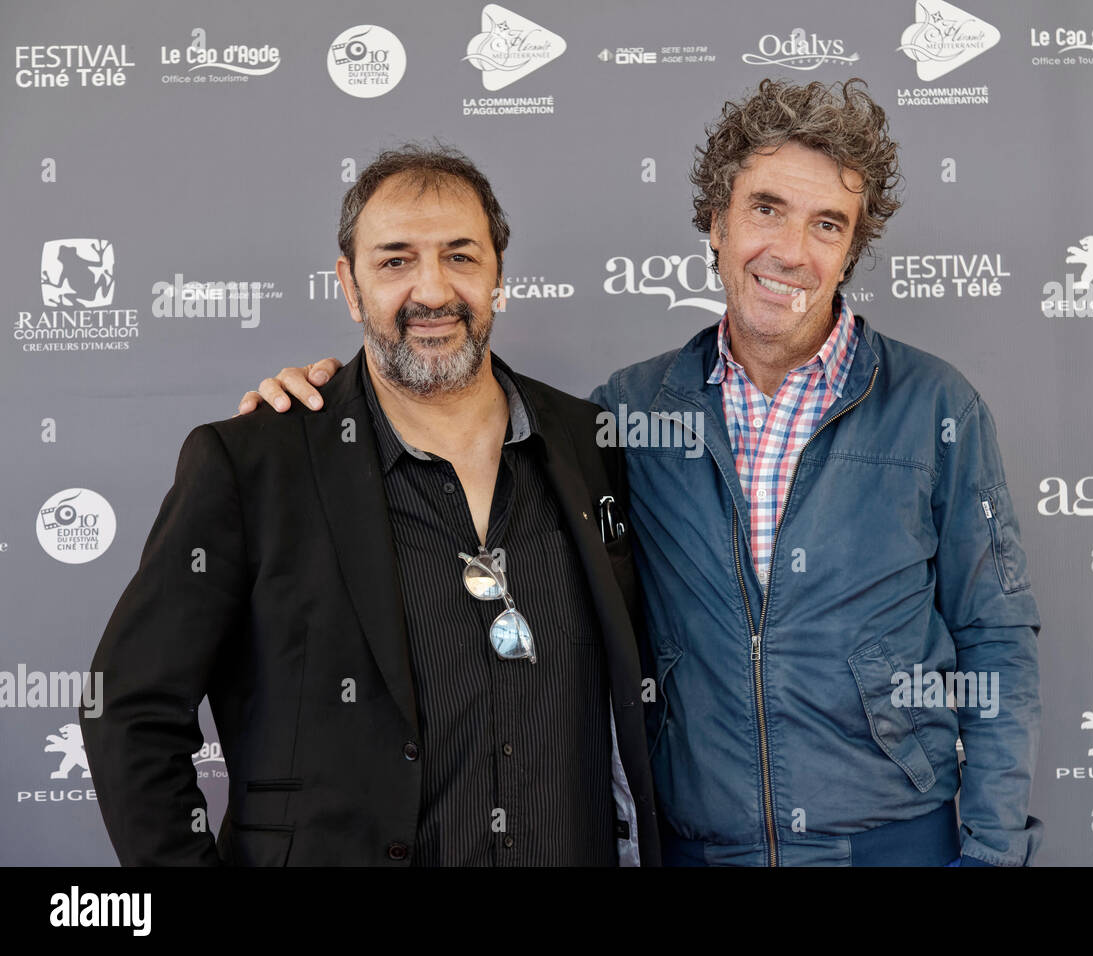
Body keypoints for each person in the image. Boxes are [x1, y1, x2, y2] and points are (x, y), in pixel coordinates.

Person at [240, 78, 1044, 867]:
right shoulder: (620, 417)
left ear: (850, 252)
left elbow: (997, 639)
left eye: (827, 224)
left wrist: (996, 850)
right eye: (765, 209)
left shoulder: (936, 407)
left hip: (897, 842)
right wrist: (322, 407)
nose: (791, 250)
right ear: (716, 225)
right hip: (696, 847)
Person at [81, 145, 659, 867]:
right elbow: (129, 711)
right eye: (395, 261)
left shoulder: (589, 442)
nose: (432, 290)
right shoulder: (257, 462)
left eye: (460, 256)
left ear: (499, 276)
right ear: (350, 289)